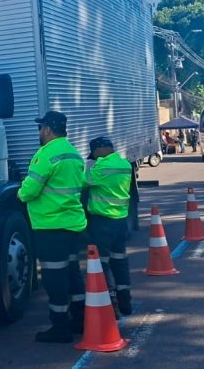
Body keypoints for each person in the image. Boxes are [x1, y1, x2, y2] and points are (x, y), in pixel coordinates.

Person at [18, 110, 87, 343]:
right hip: (73, 225)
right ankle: (81, 320)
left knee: (54, 278)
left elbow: (29, 190)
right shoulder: (73, 153)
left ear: (47, 129)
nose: (39, 132)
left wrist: (20, 191)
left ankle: (60, 328)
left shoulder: (46, 155)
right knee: (72, 273)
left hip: (51, 227)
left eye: (40, 128)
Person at [84, 136, 134, 317]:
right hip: (120, 220)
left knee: (102, 264)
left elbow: (85, 181)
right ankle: (125, 301)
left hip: (102, 222)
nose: (94, 157)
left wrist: (89, 164)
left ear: (98, 150)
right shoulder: (125, 164)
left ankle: (110, 303)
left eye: (94, 154)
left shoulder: (100, 167)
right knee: (120, 261)